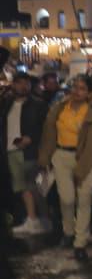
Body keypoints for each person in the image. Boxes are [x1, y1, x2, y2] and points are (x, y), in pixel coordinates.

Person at [38, 75, 92, 260]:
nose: (77, 91)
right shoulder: (59, 108)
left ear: (89, 92)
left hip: (86, 158)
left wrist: (83, 169)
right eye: (75, 87)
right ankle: (68, 231)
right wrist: (44, 158)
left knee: (84, 200)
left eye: (82, 88)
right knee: (66, 199)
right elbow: (48, 135)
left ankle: (80, 242)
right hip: (61, 156)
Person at [2, 73, 49, 235]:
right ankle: (34, 219)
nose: (23, 86)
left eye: (26, 83)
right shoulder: (7, 103)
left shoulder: (38, 104)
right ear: (13, 85)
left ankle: (40, 219)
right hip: (11, 150)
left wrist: (31, 138)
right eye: (19, 83)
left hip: (29, 151)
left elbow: (45, 128)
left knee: (32, 185)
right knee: (22, 186)